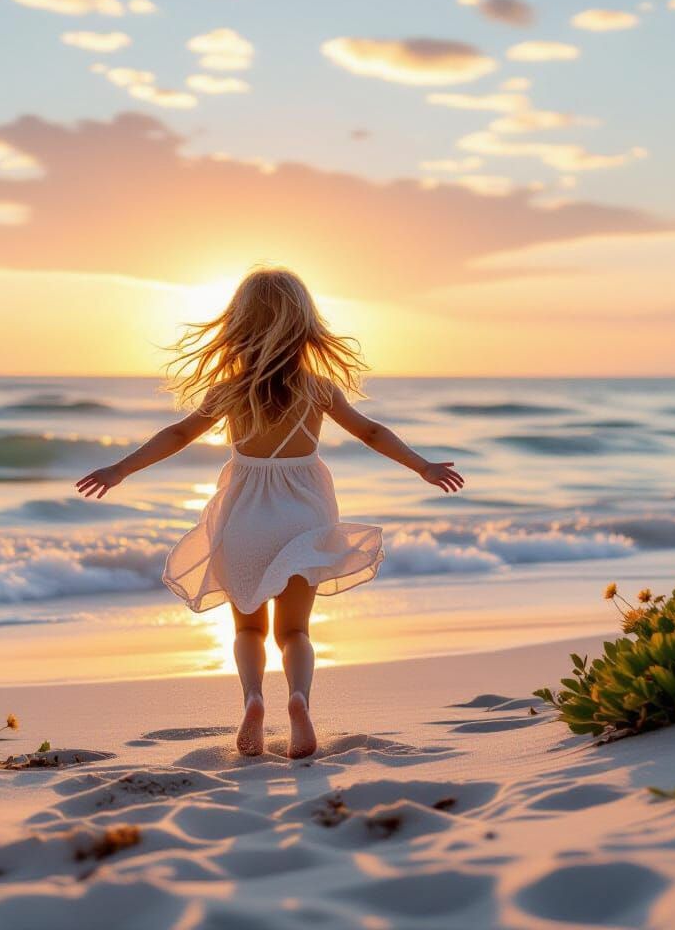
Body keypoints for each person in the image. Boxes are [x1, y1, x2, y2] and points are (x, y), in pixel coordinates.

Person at [75, 267, 464, 758]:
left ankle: (254, 699)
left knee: (249, 629)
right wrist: (422, 466)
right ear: (305, 325)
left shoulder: (230, 391)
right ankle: (298, 700)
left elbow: (176, 435)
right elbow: (371, 432)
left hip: (245, 518)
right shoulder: (318, 389)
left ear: (239, 323)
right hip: (305, 515)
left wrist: (120, 468)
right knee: (295, 631)